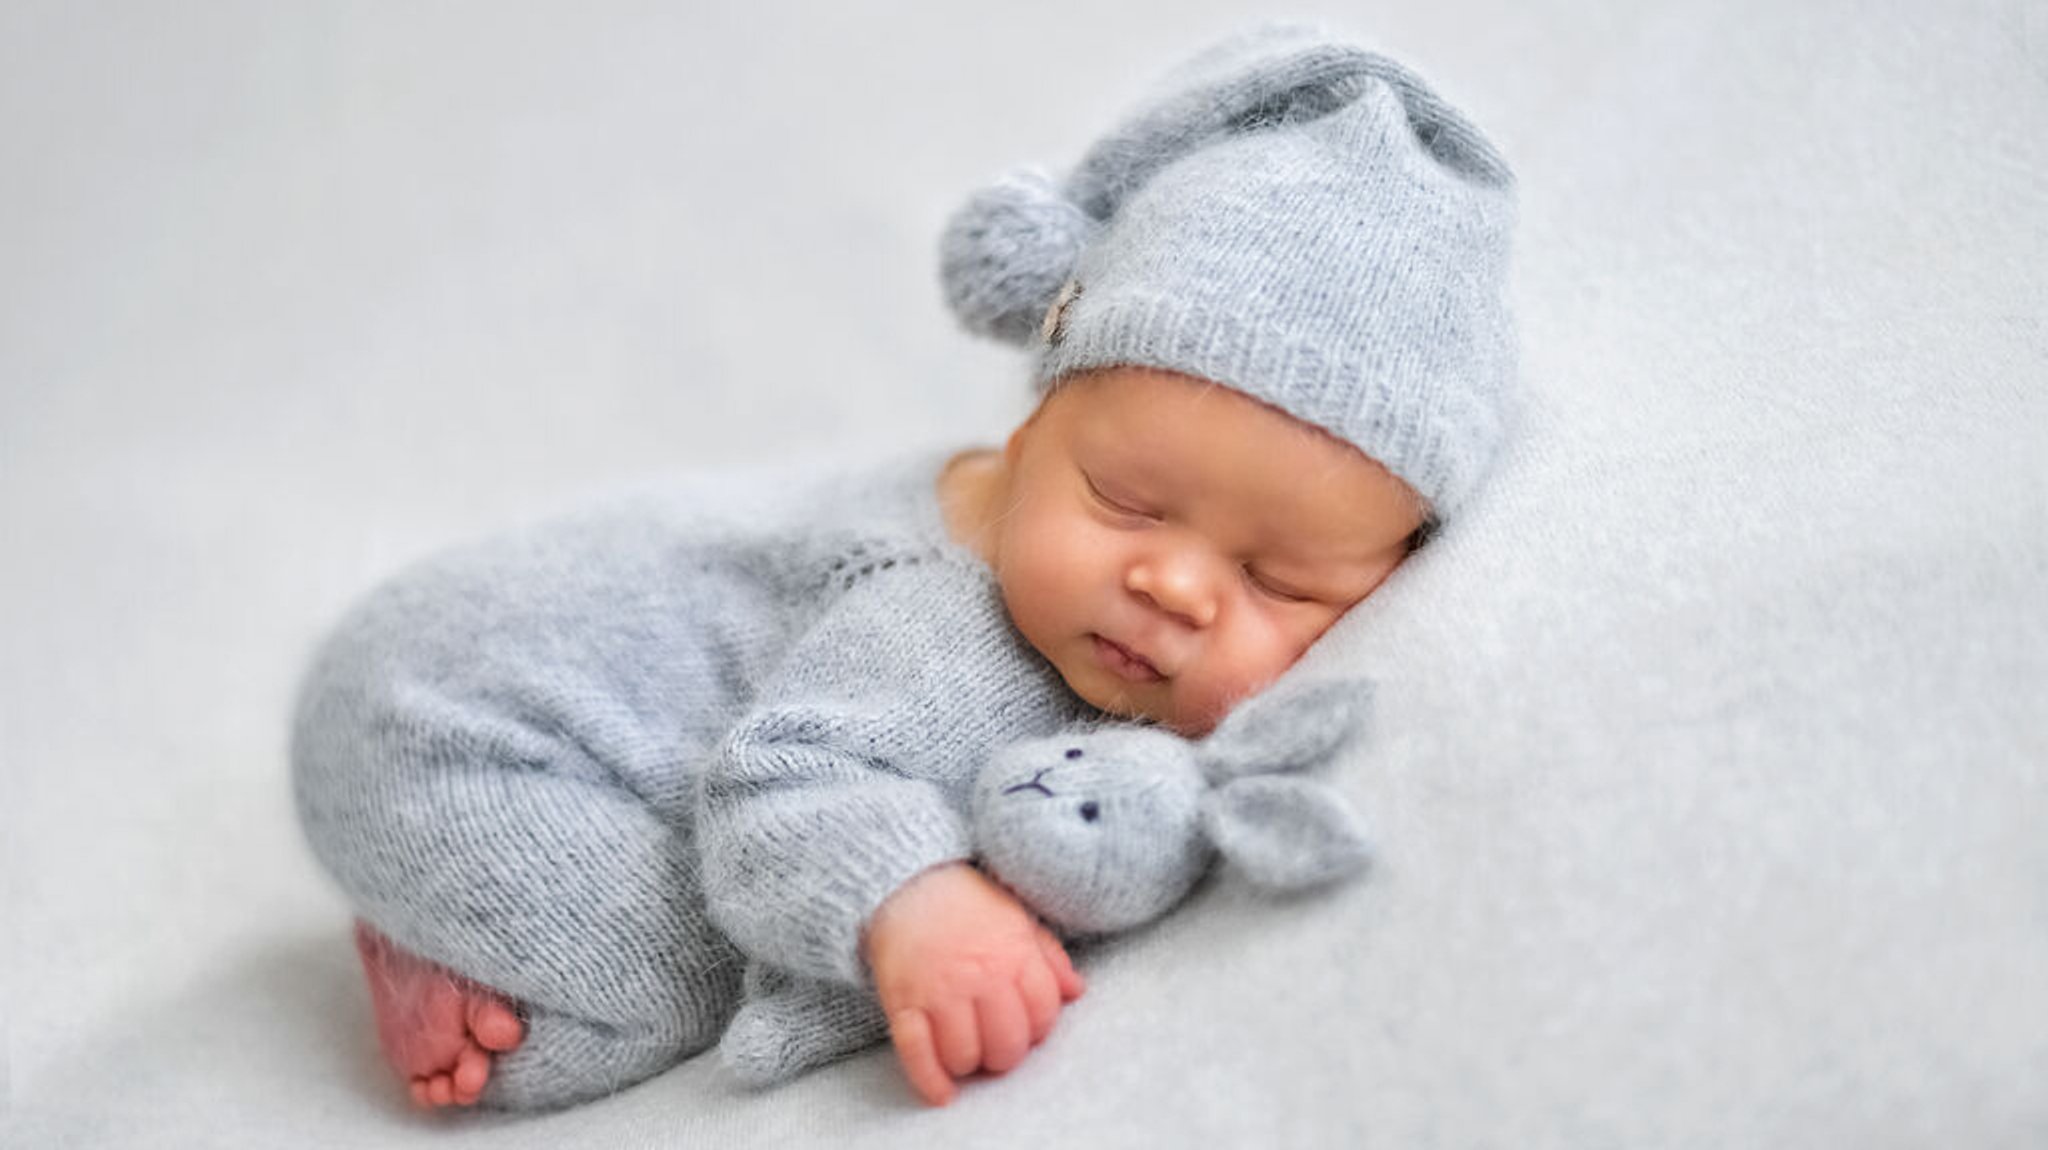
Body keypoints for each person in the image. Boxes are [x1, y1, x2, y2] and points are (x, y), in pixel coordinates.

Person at [290, 21, 1518, 1113]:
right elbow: (778, 789)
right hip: (449, 728)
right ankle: (427, 936)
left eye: (1279, 580)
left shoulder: (1038, 529)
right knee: (654, 987)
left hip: (490, 670)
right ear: (1031, 430)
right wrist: (910, 896)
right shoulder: (944, 631)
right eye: (1126, 502)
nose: (1177, 589)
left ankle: (453, 889)